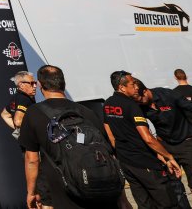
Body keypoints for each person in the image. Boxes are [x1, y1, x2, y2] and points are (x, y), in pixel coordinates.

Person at [17, 65, 119, 209]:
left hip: (65, 190)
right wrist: (121, 197)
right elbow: (110, 154)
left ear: (40, 85)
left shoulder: (33, 113)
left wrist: (31, 192)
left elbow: (32, 160)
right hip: (101, 187)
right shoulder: (87, 111)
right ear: (63, 83)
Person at [104, 71, 182, 209]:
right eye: (132, 84)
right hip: (145, 163)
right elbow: (148, 138)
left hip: (126, 163)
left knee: (144, 204)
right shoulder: (132, 105)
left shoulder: (108, 104)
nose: (136, 87)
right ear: (122, 87)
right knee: (167, 202)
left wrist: (122, 152)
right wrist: (168, 156)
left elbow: (110, 135)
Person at [135, 79, 192, 209]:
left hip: (187, 144)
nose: (138, 102)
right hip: (166, 147)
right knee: (173, 191)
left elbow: (189, 105)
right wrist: (158, 151)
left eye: (139, 99)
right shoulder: (138, 105)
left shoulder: (167, 94)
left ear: (145, 91)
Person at [2, 71, 37, 137]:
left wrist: (18, 131)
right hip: (32, 140)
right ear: (21, 85)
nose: (35, 86)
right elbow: (18, 122)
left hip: (25, 139)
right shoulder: (24, 99)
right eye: (32, 83)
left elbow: (5, 115)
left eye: (35, 83)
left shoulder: (16, 97)